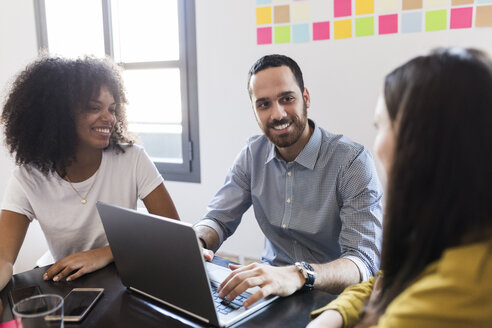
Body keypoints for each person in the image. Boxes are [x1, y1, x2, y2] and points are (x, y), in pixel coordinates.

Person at [308, 47, 492, 328]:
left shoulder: (437, 303)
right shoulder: (458, 234)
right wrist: (333, 316)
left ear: (419, 143)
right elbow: (386, 279)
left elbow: (371, 271)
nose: (376, 142)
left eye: (380, 125)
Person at [195, 54, 383, 308]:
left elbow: (362, 262)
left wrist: (298, 274)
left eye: (287, 99)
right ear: (254, 110)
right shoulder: (252, 154)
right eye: (264, 104)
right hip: (270, 295)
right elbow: (217, 218)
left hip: (335, 301)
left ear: (305, 98)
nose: (278, 114)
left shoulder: (352, 162)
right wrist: (198, 242)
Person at [0, 56, 179, 291]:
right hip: (66, 289)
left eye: (112, 109)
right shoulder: (28, 178)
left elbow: (174, 235)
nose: (109, 118)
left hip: (124, 282)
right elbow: (3, 258)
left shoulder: (132, 159)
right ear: (59, 114)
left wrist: (105, 253)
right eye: (95, 108)